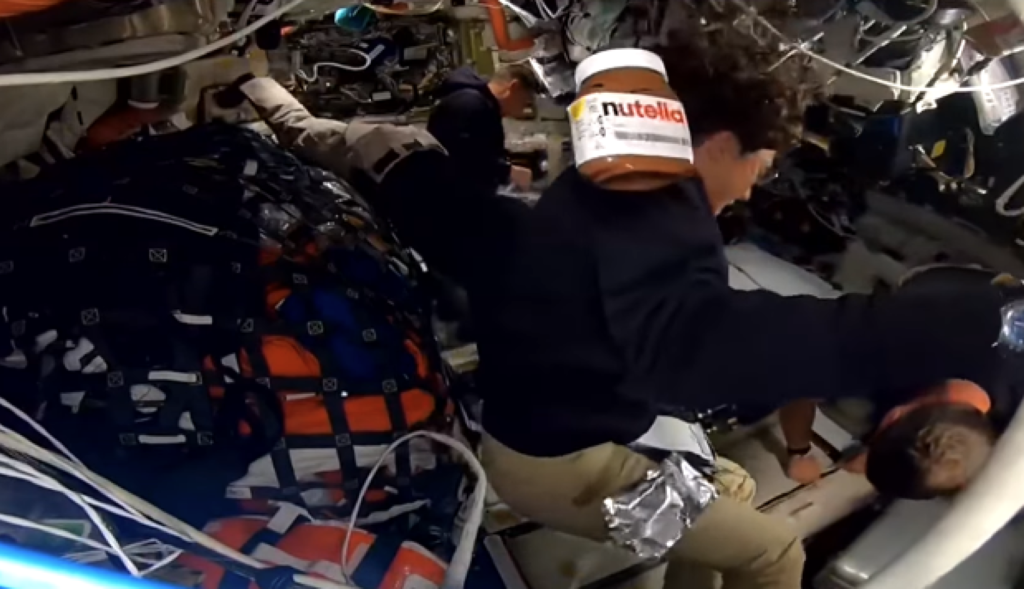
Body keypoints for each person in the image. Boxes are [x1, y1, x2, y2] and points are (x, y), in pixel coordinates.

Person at [473, 23, 1023, 589]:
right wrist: (930, 330)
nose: (747, 192)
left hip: (560, 417)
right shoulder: (648, 214)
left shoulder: (617, 187)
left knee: (734, 487)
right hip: (557, 458)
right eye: (759, 170)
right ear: (720, 144)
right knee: (774, 555)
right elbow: (698, 350)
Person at [428, 64, 538, 194]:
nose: (522, 111)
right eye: (524, 103)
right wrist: (508, 171)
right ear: (514, 87)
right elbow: (463, 160)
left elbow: (479, 150)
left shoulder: (483, 105)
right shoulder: (470, 104)